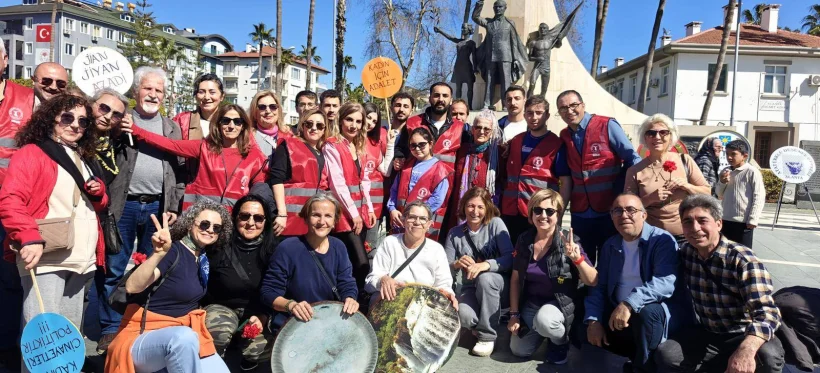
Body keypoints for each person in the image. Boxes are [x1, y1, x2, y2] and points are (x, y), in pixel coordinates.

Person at [0, 95, 108, 373]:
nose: (75, 125)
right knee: (42, 340)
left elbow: (91, 205)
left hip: (80, 259)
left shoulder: (83, 157)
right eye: (67, 118)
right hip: (46, 255)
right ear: (50, 118)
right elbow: (11, 198)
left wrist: (100, 194)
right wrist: (28, 236)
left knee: (66, 342)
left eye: (83, 121)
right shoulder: (32, 152)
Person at [96, 66, 187, 352]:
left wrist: (173, 204)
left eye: (159, 90)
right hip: (124, 204)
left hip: (158, 207)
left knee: (151, 267)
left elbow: (178, 169)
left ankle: (141, 322)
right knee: (114, 268)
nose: (153, 94)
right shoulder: (121, 119)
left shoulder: (172, 127)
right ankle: (111, 327)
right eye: (148, 88)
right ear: (136, 91)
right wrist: (116, 131)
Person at [655, 194, 784, 373]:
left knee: (768, 358)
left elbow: (768, 313)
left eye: (702, 220)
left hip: (743, 332)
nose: (695, 228)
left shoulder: (743, 260)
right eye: (687, 222)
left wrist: (746, 349)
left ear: (718, 223)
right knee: (667, 355)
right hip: (708, 333)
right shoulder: (686, 253)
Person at [105, 202, 232, 373]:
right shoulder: (172, 251)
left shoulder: (202, 258)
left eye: (216, 228)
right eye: (204, 224)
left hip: (182, 335)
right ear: (189, 224)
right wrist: (158, 254)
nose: (210, 230)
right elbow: (133, 286)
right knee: (183, 339)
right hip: (143, 336)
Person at [583, 193, 692, 373]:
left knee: (647, 314)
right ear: (611, 216)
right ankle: (630, 355)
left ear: (644, 215)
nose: (624, 215)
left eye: (631, 210)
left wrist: (629, 303)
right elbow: (599, 286)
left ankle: (643, 367)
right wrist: (593, 321)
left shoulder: (661, 240)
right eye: (617, 211)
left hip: (655, 311)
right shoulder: (610, 245)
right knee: (582, 323)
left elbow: (665, 282)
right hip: (620, 311)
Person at [122, 104, 267, 212]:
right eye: (226, 121)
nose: (231, 125)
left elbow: (261, 186)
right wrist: (135, 130)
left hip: (235, 218)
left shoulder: (252, 156)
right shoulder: (204, 147)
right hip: (201, 216)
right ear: (218, 124)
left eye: (237, 121)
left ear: (243, 126)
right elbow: (169, 144)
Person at [507, 189, 597, 364]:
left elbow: (592, 280)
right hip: (532, 303)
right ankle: (543, 332)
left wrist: (577, 259)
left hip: (559, 304)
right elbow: (516, 279)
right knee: (518, 350)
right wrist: (514, 314)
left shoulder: (570, 242)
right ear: (531, 213)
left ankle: (560, 342)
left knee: (545, 321)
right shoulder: (524, 240)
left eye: (550, 211)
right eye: (538, 210)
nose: (543, 215)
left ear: (558, 214)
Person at [557, 89, 641, 264]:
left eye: (573, 105)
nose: (569, 111)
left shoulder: (606, 125)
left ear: (583, 105)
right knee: (582, 261)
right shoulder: (564, 136)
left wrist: (627, 195)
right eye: (563, 108)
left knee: (609, 261)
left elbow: (633, 159)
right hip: (580, 212)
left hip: (608, 210)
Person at [260, 192, 359, 331]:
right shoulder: (288, 248)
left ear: (335, 221)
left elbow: (346, 282)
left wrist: (350, 298)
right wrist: (291, 305)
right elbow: (268, 292)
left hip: (329, 322)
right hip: (295, 323)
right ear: (306, 218)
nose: (321, 221)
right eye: (316, 215)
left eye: (328, 216)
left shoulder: (339, 247)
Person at [203, 195, 277, 371]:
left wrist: (264, 317)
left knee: (260, 350)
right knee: (220, 331)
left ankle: (247, 361)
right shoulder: (218, 245)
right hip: (222, 307)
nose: (251, 222)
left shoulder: (274, 250)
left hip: (256, 313)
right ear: (235, 218)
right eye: (245, 216)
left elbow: (279, 288)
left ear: (266, 221)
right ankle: (214, 363)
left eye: (258, 218)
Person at [444, 187, 513, 357]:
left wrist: (485, 265)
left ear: (487, 208)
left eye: (480, 207)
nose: (475, 211)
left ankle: (487, 335)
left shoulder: (496, 225)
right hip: (471, 288)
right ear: (463, 207)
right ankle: (482, 319)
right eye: (470, 206)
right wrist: (457, 264)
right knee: (464, 316)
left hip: (498, 286)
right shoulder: (455, 233)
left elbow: (511, 258)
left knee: (486, 278)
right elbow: (445, 268)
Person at [625, 114, 710, 243]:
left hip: (686, 236)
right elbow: (628, 208)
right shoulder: (634, 171)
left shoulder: (684, 161)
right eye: (651, 133)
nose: (657, 137)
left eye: (663, 132)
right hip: (651, 237)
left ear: (671, 136)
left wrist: (687, 186)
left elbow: (707, 192)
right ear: (645, 138)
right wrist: (651, 198)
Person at [501, 95, 570, 245]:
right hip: (510, 210)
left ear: (547, 115)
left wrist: (558, 212)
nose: (534, 117)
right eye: (530, 112)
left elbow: (565, 182)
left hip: (538, 213)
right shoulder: (516, 140)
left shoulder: (556, 145)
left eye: (539, 113)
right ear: (524, 114)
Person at [366, 200, 458, 308]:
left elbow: (444, 285)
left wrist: (447, 294)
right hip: (391, 301)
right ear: (403, 221)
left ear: (429, 225)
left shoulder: (436, 250)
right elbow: (370, 281)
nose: (417, 222)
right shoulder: (390, 243)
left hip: (423, 306)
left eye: (423, 219)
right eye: (412, 217)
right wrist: (382, 280)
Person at [323, 102, 376, 289]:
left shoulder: (359, 146)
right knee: (361, 263)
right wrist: (353, 213)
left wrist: (369, 207)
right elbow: (337, 184)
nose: (353, 125)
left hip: (359, 211)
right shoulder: (332, 145)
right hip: (345, 214)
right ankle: (356, 298)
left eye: (358, 121)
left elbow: (364, 181)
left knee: (355, 263)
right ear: (341, 120)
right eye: (349, 119)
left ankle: (354, 298)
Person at [268, 109, 330, 238]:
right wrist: (282, 213)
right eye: (309, 124)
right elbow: (276, 179)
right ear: (302, 126)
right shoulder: (288, 145)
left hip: (313, 220)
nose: (314, 128)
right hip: (290, 220)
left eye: (319, 126)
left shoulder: (322, 152)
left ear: (324, 130)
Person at [445, 109, 502, 239]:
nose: (481, 131)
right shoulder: (461, 150)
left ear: (492, 131)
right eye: (478, 127)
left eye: (486, 129)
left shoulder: (499, 153)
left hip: (486, 210)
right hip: (460, 208)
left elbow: (502, 182)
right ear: (472, 129)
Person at [388, 127, 453, 241]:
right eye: (413, 146)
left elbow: (437, 199)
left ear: (430, 144)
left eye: (422, 145)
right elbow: (394, 190)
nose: (417, 149)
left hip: (421, 223)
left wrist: (416, 216)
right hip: (401, 221)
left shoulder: (440, 169)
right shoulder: (406, 166)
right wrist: (392, 209)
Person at [396, 82, 469, 172]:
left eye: (445, 96)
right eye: (436, 95)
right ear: (430, 98)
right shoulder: (412, 123)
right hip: (416, 181)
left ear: (451, 100)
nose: (441, 99)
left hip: (445, 183)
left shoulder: (460, 128)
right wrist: (399, 157)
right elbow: (400, 149)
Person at [472, 0, 529, 110]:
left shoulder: (509, 23)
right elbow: (475, 17)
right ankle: (487, 104)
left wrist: (516, 58)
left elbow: (514, 41)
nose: (498, 9)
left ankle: (506, 105)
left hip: (506, 56)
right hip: (490, 56)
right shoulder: (488, 23)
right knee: (489, 81)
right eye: (496, 7)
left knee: (505, 82)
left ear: (505, 8)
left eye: (500, 7)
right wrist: (479, 4)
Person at [716, 140, 764, 249]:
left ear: (744, 156)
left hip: (743, 222)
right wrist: (722, 181)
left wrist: (753, 218)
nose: (729, 157)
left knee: (743, 252)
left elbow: (759, 196)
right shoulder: (725, 171)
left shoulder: (751, 171)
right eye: (727, 154)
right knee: (725, 250)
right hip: (726, 219)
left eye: (733, 154)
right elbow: (719, 194)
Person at [363, 102, 396, 250]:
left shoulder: (374, 143)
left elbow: (385, 171)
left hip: (372, 207)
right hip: (350, 206)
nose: (370, 123)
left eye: (374, 121)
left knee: (370, 248)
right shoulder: (345, 142)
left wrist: (390, 145)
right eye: (367, 117)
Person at [88, 88, 128, 185]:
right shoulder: (75, 137)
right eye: (104, 108)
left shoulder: (115, 142)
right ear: (91, 104)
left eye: (116, 115)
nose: (108, 117)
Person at [173, 73, 224, 141]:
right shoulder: (181, 121)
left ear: (222, 96)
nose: (207, 97)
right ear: (196, 96)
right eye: (201, 92)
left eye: (212, 92)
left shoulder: (231, 121)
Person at [249, 90, 291, 156]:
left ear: (278, 110)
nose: (268, 111)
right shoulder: (247, 138)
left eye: (273, 106)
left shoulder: (289, 135)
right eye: (262, 107)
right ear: (255, 112)